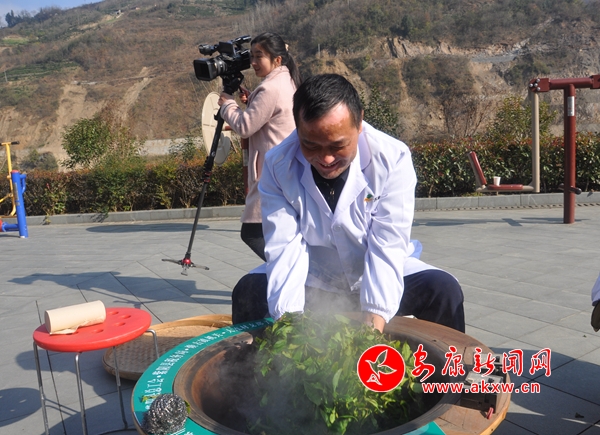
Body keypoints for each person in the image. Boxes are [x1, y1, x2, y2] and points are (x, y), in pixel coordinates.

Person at [231, 74, 465, 333]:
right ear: (297, 129)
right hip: (315, 276)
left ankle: (444, 363)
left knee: (442, 290)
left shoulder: (391, 158)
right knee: (249, 291)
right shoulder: (278, 165)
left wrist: (372, 323)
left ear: (359, 122)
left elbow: (387, 245)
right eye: (310, 145)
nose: (326, 159)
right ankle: (257, 360)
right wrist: (290, 327)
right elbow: (284, 246)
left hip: (373, 270)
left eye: (338, 146)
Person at [218, 32, 301, 261]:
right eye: (251, 56)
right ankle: (291, 271)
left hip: (269, 172)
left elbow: (245, 126)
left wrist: (227, 105)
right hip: (284, 168)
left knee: (252, 233)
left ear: (277, 59)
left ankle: (292, 271)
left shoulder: (270, 88)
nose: (253, 62)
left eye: (259, 56)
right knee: (277, 233)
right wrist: (252, 99)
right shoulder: (287, 81)